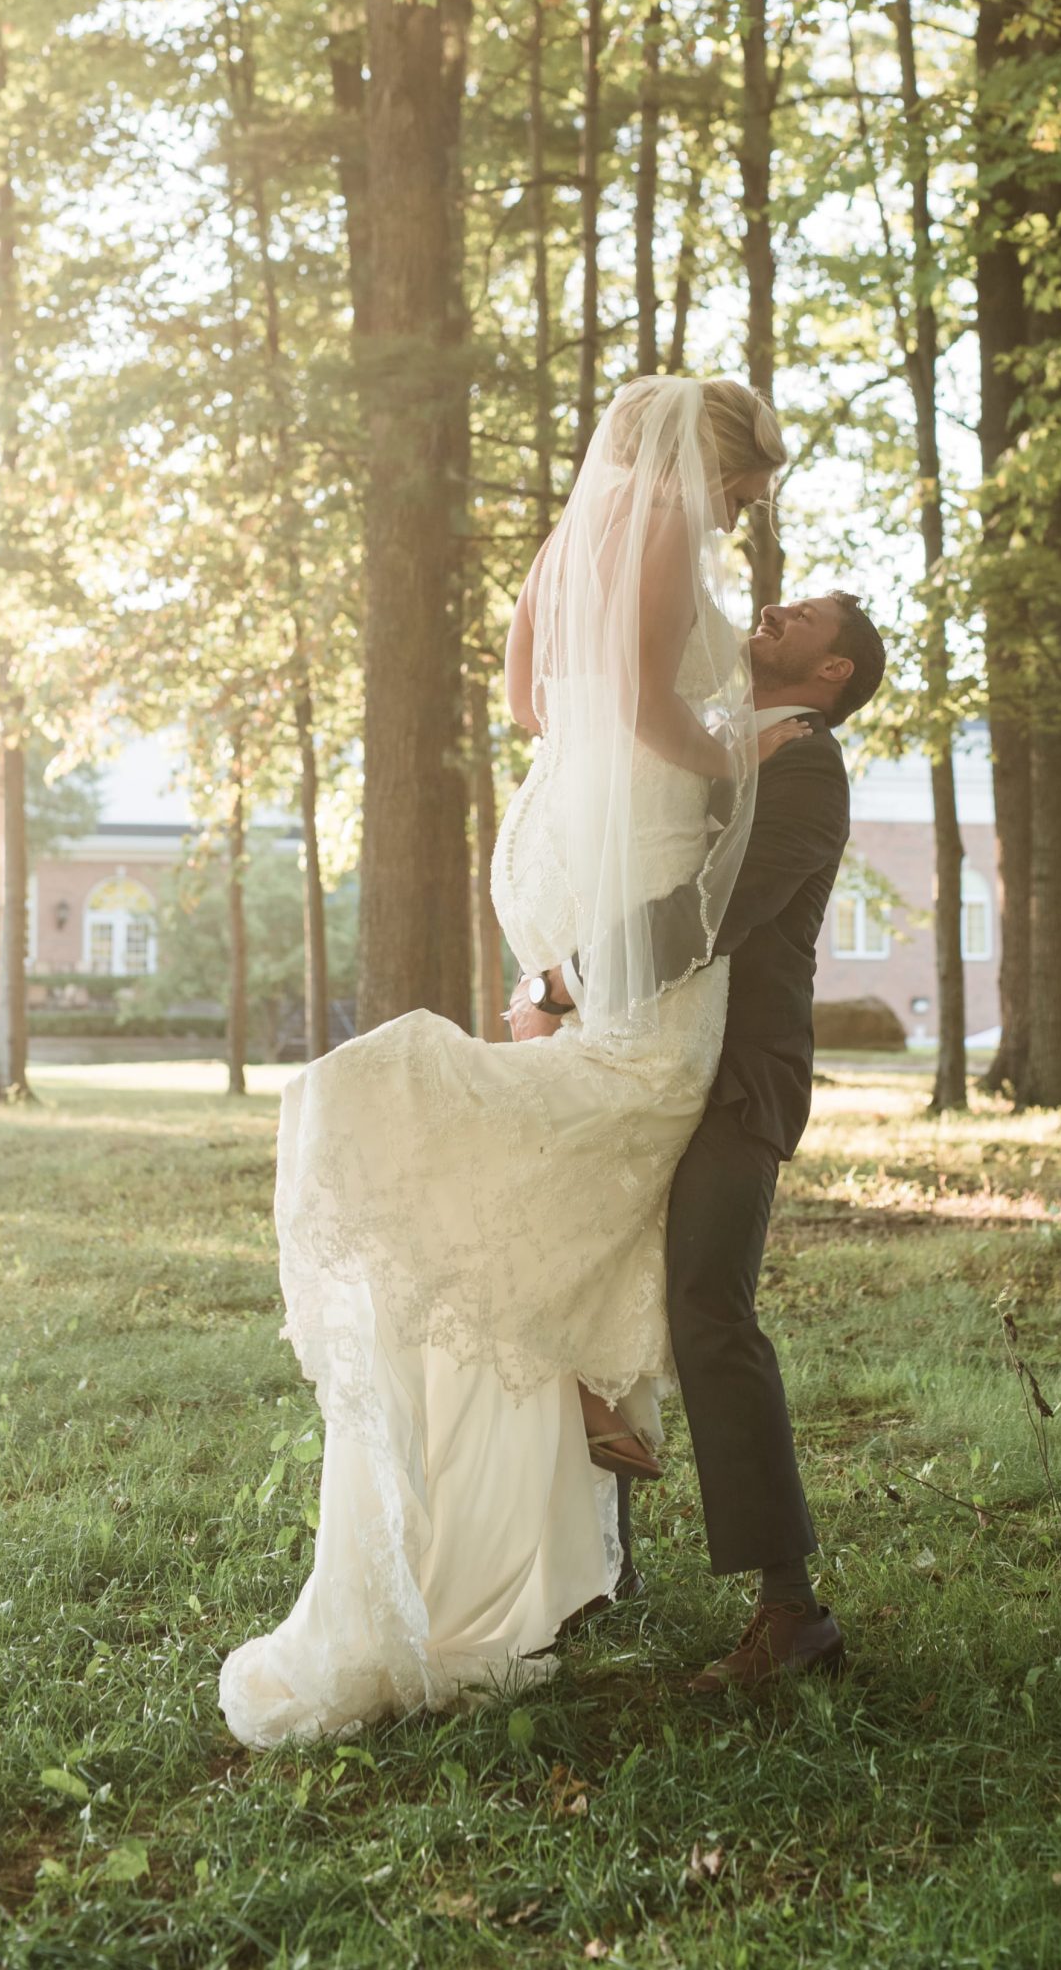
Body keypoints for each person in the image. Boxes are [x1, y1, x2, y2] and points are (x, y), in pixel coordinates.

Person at [219, 374, 803, 1745]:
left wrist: (624, 774)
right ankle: (600, 1383)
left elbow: (533, 696)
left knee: (584, 1145)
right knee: (621, 1126)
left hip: (559, 851)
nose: (739, 514)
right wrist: (727, 768)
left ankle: (589, 1408)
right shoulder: (662, 520)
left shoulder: (577, 536)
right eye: (746, 488)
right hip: (641, 861)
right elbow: (640, 704)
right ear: (707, 461)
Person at [512, 590, 885, 1688]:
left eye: (807, 617)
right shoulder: (720, 741)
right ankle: (603, 1563)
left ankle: (793, 1610)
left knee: (709, 1311)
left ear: (834, 674)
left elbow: (720, 911)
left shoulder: (810, 771)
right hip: (644, 1055)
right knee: (585, 1279)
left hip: (735, 1079)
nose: (774, 609)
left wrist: (562, 981)